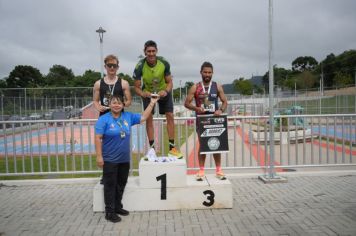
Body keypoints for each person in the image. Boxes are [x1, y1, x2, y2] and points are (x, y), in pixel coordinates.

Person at [95, 94, 159, 223]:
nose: (117, 105)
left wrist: (152, 103)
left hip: (124, 159)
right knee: (110, 185)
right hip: (110, 160)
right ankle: (109, 211)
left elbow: (144, 117)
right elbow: (98, 138)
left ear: (123, 104)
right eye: (114, 102)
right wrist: (99, 156)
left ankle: (117, 207)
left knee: (120, 184)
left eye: (119, 102)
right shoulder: (103, 119)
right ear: (110, 105)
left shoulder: (128, 116)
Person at [133, 40, 182, 158]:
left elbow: (170, 82)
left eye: (153, 51)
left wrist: (165, 91)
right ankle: (152, 149)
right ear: (144, 52)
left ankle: (172, 147)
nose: (151, 54)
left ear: (156, 51)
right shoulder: (139, 66)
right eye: (148, 51)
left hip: (162, 92)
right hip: (149, 93)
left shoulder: (164, 62)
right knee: (148, 119)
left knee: (170, 115)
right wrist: (144, 94)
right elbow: (136, 87)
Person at [184, 61, 228, 181]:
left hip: (215, 119)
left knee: (216, 144)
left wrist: (221, 110)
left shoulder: (217, 86)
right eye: (205, 72)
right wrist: (197, 108)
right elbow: (186, 103)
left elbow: (225, 102)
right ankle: (201, 170)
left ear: (212, 73)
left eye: (209, 72)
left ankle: (219, 170)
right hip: (202, 120)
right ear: (201, 73)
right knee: (203, 145)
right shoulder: (195, 87)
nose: (207, 74)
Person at [93, 54, 132, 184]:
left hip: (119, 117)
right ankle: (106, 175)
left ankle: (121, 174)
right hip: (105, 117)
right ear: (105, 67)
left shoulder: (124, 83)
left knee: (120, 143)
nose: (111, 67)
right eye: (109, 65)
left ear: (117, 67)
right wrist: (99, 107)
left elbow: (129, 100)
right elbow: (95, 101)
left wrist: (118, 106)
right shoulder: (98, 83)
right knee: (105, 145)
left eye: (114, 65)